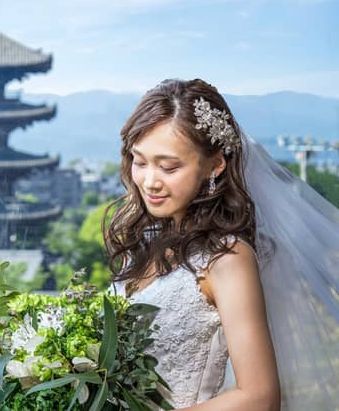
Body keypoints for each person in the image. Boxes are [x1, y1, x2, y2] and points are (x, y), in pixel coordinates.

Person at [105, 78, 339, 410]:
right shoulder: (146, 246)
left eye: (168, 167)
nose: (149, 181)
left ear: (215, 164)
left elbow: (260, 398)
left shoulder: (227, 258)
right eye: (139, 161)